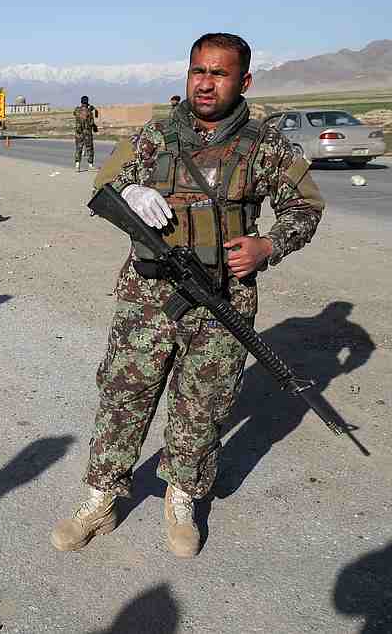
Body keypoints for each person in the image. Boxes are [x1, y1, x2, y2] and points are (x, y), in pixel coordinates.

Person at [50, 33, 324, 557]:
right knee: (123, 393)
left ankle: (182, 496)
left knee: (204, 404)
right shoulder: (155, 135)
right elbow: (106, 183)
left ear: (243, 81)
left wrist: (269, 245)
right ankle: (101, 497)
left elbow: (306, 208)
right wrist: (131, 190)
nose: (205, 82)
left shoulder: (266, 145)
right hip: (147, 294)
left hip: (224, 298)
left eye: (218, 73)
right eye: (198, 70)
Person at [73, 95, 99, 172]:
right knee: (89, 148)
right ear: (87, 102)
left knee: (78, 148)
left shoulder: (77, 110)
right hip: (87, 132)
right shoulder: (89, 111)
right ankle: (90, 165)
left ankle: (77, 166)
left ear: (81, 102)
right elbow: (91, 122)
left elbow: (74, 113)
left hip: (79, 133)